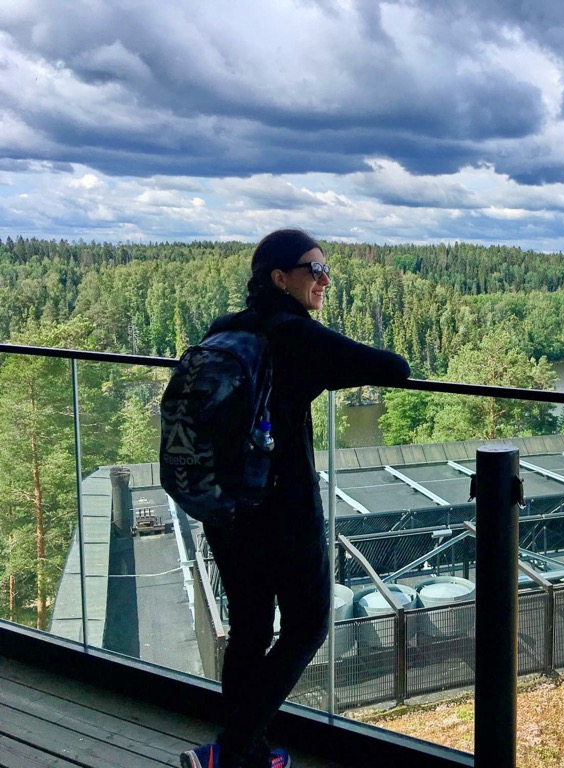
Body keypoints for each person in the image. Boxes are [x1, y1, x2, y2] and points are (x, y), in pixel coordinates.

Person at [180, 230, 411, 768]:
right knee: (307, 624)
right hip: (283, 510)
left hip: (226, 507)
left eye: (327, 269)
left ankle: (248, 754)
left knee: (252, 629)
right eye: (315, 269)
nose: (325, 279)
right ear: (280, 279)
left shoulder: (227, 329)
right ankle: (231, 752)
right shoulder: (294, 335)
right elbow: (393, 368)